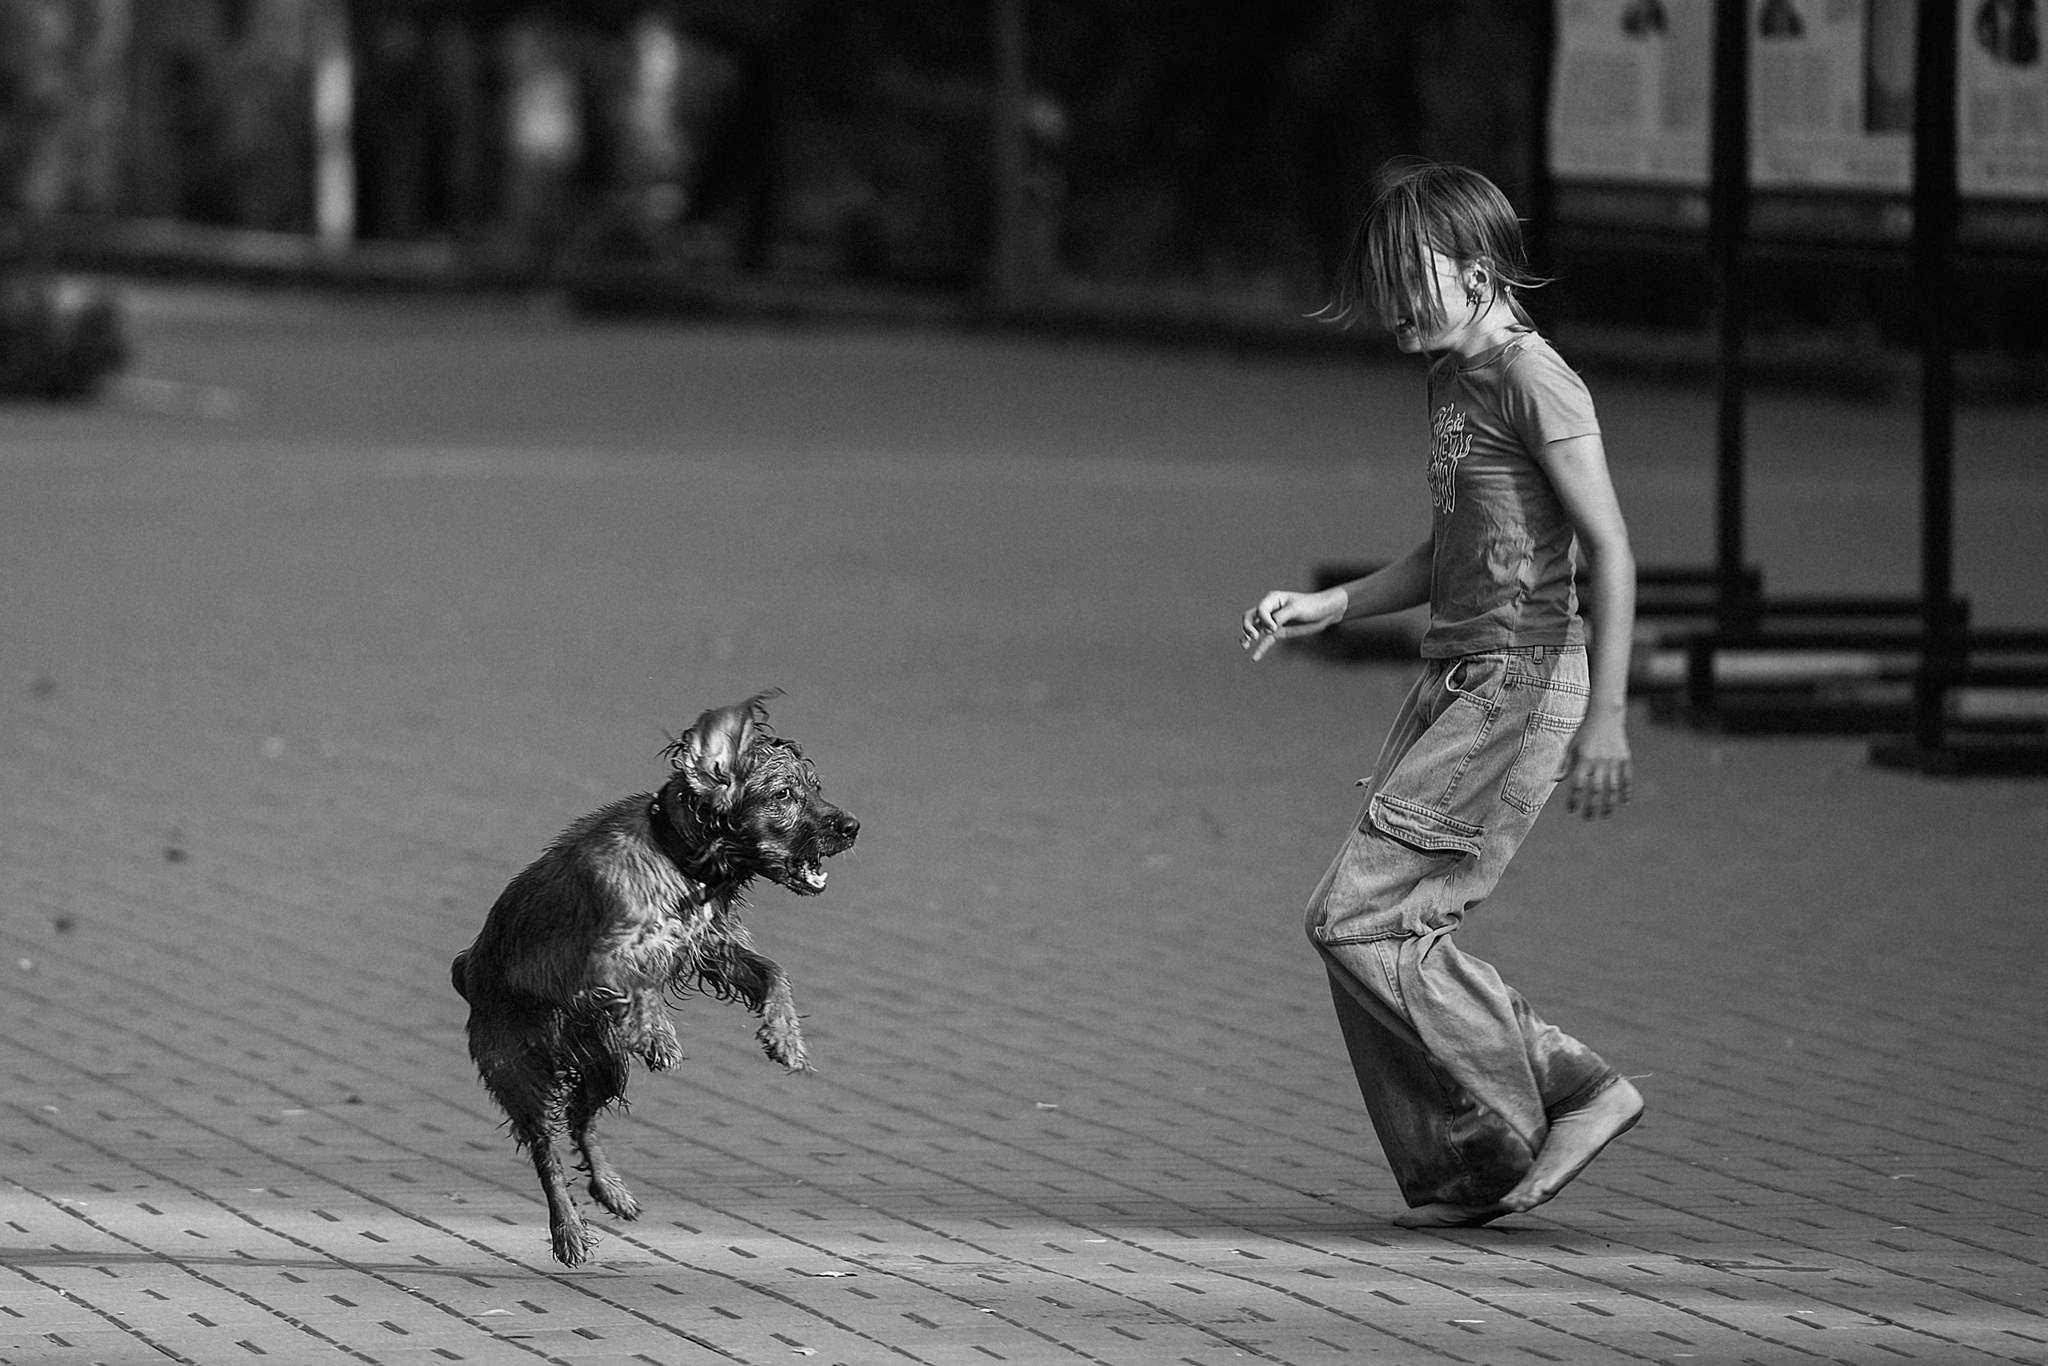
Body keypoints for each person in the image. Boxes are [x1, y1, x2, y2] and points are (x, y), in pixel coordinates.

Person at [1241, 160, 1643, 1228]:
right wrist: (1332, 605)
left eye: (1406, 286)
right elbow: (1453, 547)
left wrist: (1607, 717)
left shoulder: (1535, 379)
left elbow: (1608, 548)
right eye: (1382, 293)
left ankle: (1569, 1084)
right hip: (1453, 678)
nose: (1392, 314)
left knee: (1354, 917)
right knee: (1371, 926)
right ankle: (1470, 1163)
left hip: (1516, 681)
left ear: (1475, 268)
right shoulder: (1452, 378)